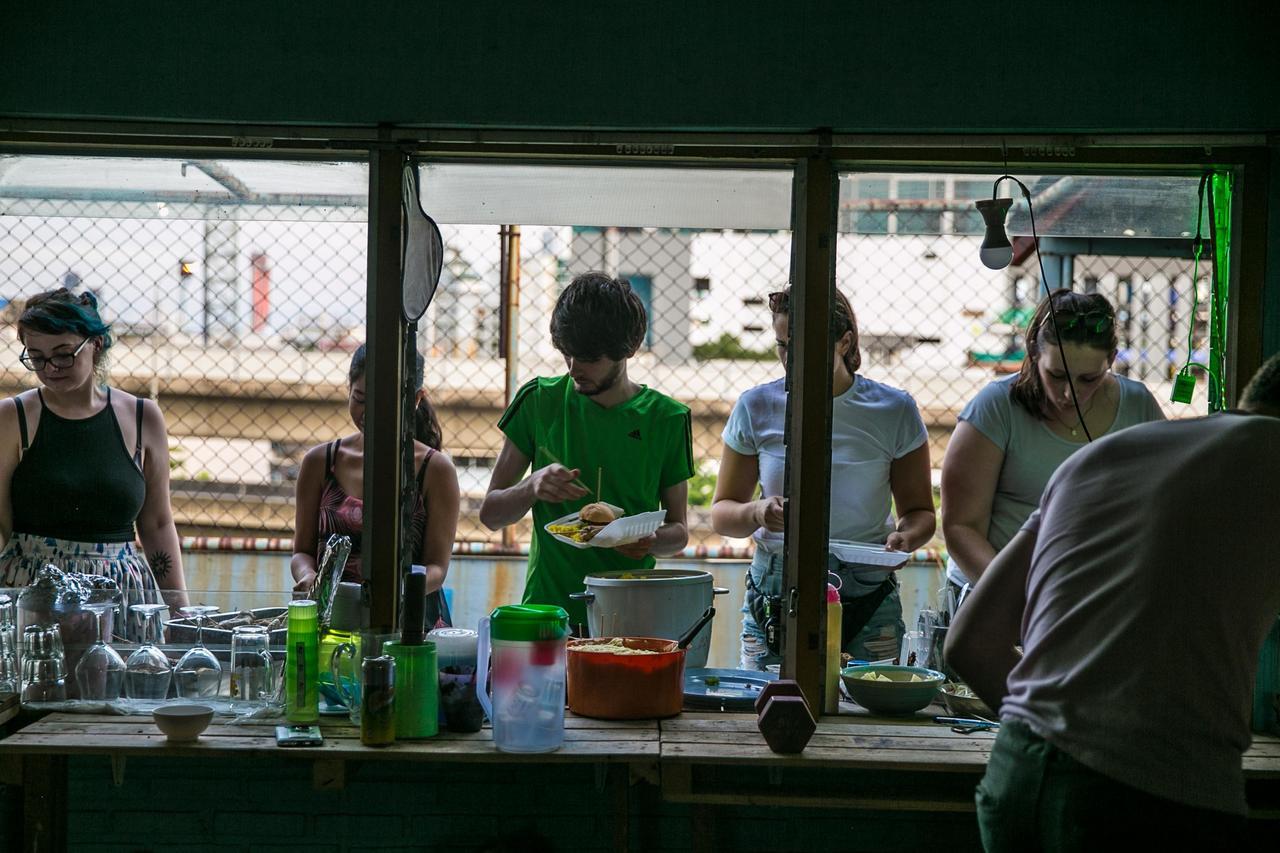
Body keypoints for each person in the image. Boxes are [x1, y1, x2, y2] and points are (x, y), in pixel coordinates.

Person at [944, 353, 1280, 851]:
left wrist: (1053, 731)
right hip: (1158, 798)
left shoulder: (1103, 455)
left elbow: (969, 645)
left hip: (1018, 776)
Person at [711, 287, 936, 669]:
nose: (791, 359)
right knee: (769, 706)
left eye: (806, 346)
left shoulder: (893, 410)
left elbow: (920, 513)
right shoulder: (756, 406)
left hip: (867, 587)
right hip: (777, 587)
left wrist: (906, 538)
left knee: (870, 711)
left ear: (845, 342)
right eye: (783, 345)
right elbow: (722, 514)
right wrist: (757, 511)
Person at [479, 271, 694, 631]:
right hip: (549, 616)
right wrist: (532, 486)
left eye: (589, 358)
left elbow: (680, 531)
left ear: (628, 349)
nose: (575, 368)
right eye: (568, 354)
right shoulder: (539, 401)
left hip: (632, 615)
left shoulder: (667, 419)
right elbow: (490, 515)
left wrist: (650, 541)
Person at [940, 289, 1163, 607]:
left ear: (1111, 361)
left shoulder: (1137, 405)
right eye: (1057, 375)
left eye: (1089, 378)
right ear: (1033, 354)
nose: (1070, 394)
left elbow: (1158, 508)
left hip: (1093, 596)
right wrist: (1018, 600)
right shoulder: (995, 408)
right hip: (997, 592)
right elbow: (961, 527)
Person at [0, 288, 188, 637]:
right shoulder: (13, 418)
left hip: (120, 597)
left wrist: (179, 611)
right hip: (35, 597)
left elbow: (158, 523)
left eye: (64, 355)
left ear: (96, 345)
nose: (50, 369)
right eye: (36, 358)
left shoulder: (143, 417)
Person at [291, 344, 460, 626]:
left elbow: (437, 568)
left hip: (410, 625)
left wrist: (391, 594)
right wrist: (309, 577)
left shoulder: (435, 470)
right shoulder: (319, 462)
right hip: (333, 619)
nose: (370, 412)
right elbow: (302, 552)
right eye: (359, 399)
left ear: (416, 399)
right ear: (348, 390)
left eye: (385, 402)